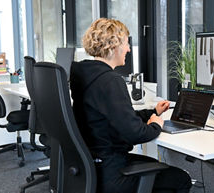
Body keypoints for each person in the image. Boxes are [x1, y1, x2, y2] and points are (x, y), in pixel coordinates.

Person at [70, 18, 192, 193]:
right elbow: (135, 133)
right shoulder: (111, 81)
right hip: (111, 173)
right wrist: (156, 124)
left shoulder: (86, 75)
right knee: (181, 179)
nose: (128, 49)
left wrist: (152, 111)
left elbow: (115, 116)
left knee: (155, 165)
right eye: (126, 43)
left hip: (92, 166)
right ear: (113, 46)